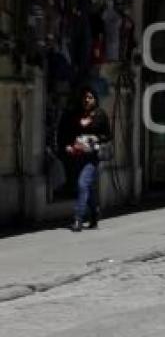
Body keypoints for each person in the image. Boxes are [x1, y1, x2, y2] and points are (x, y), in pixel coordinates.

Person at [64, 87, 111, 232]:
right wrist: (69, 146)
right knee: (88, 188)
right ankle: (95, 213)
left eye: (90, 97)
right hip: (78, 155)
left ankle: (78, 219)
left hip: (92, 157)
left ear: (95, 99)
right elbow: (70, 133)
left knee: (82, 184)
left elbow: (108, 135)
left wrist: (96, 137)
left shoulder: (100, 115)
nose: (86, 100)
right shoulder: (77, 115)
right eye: (85, 97)